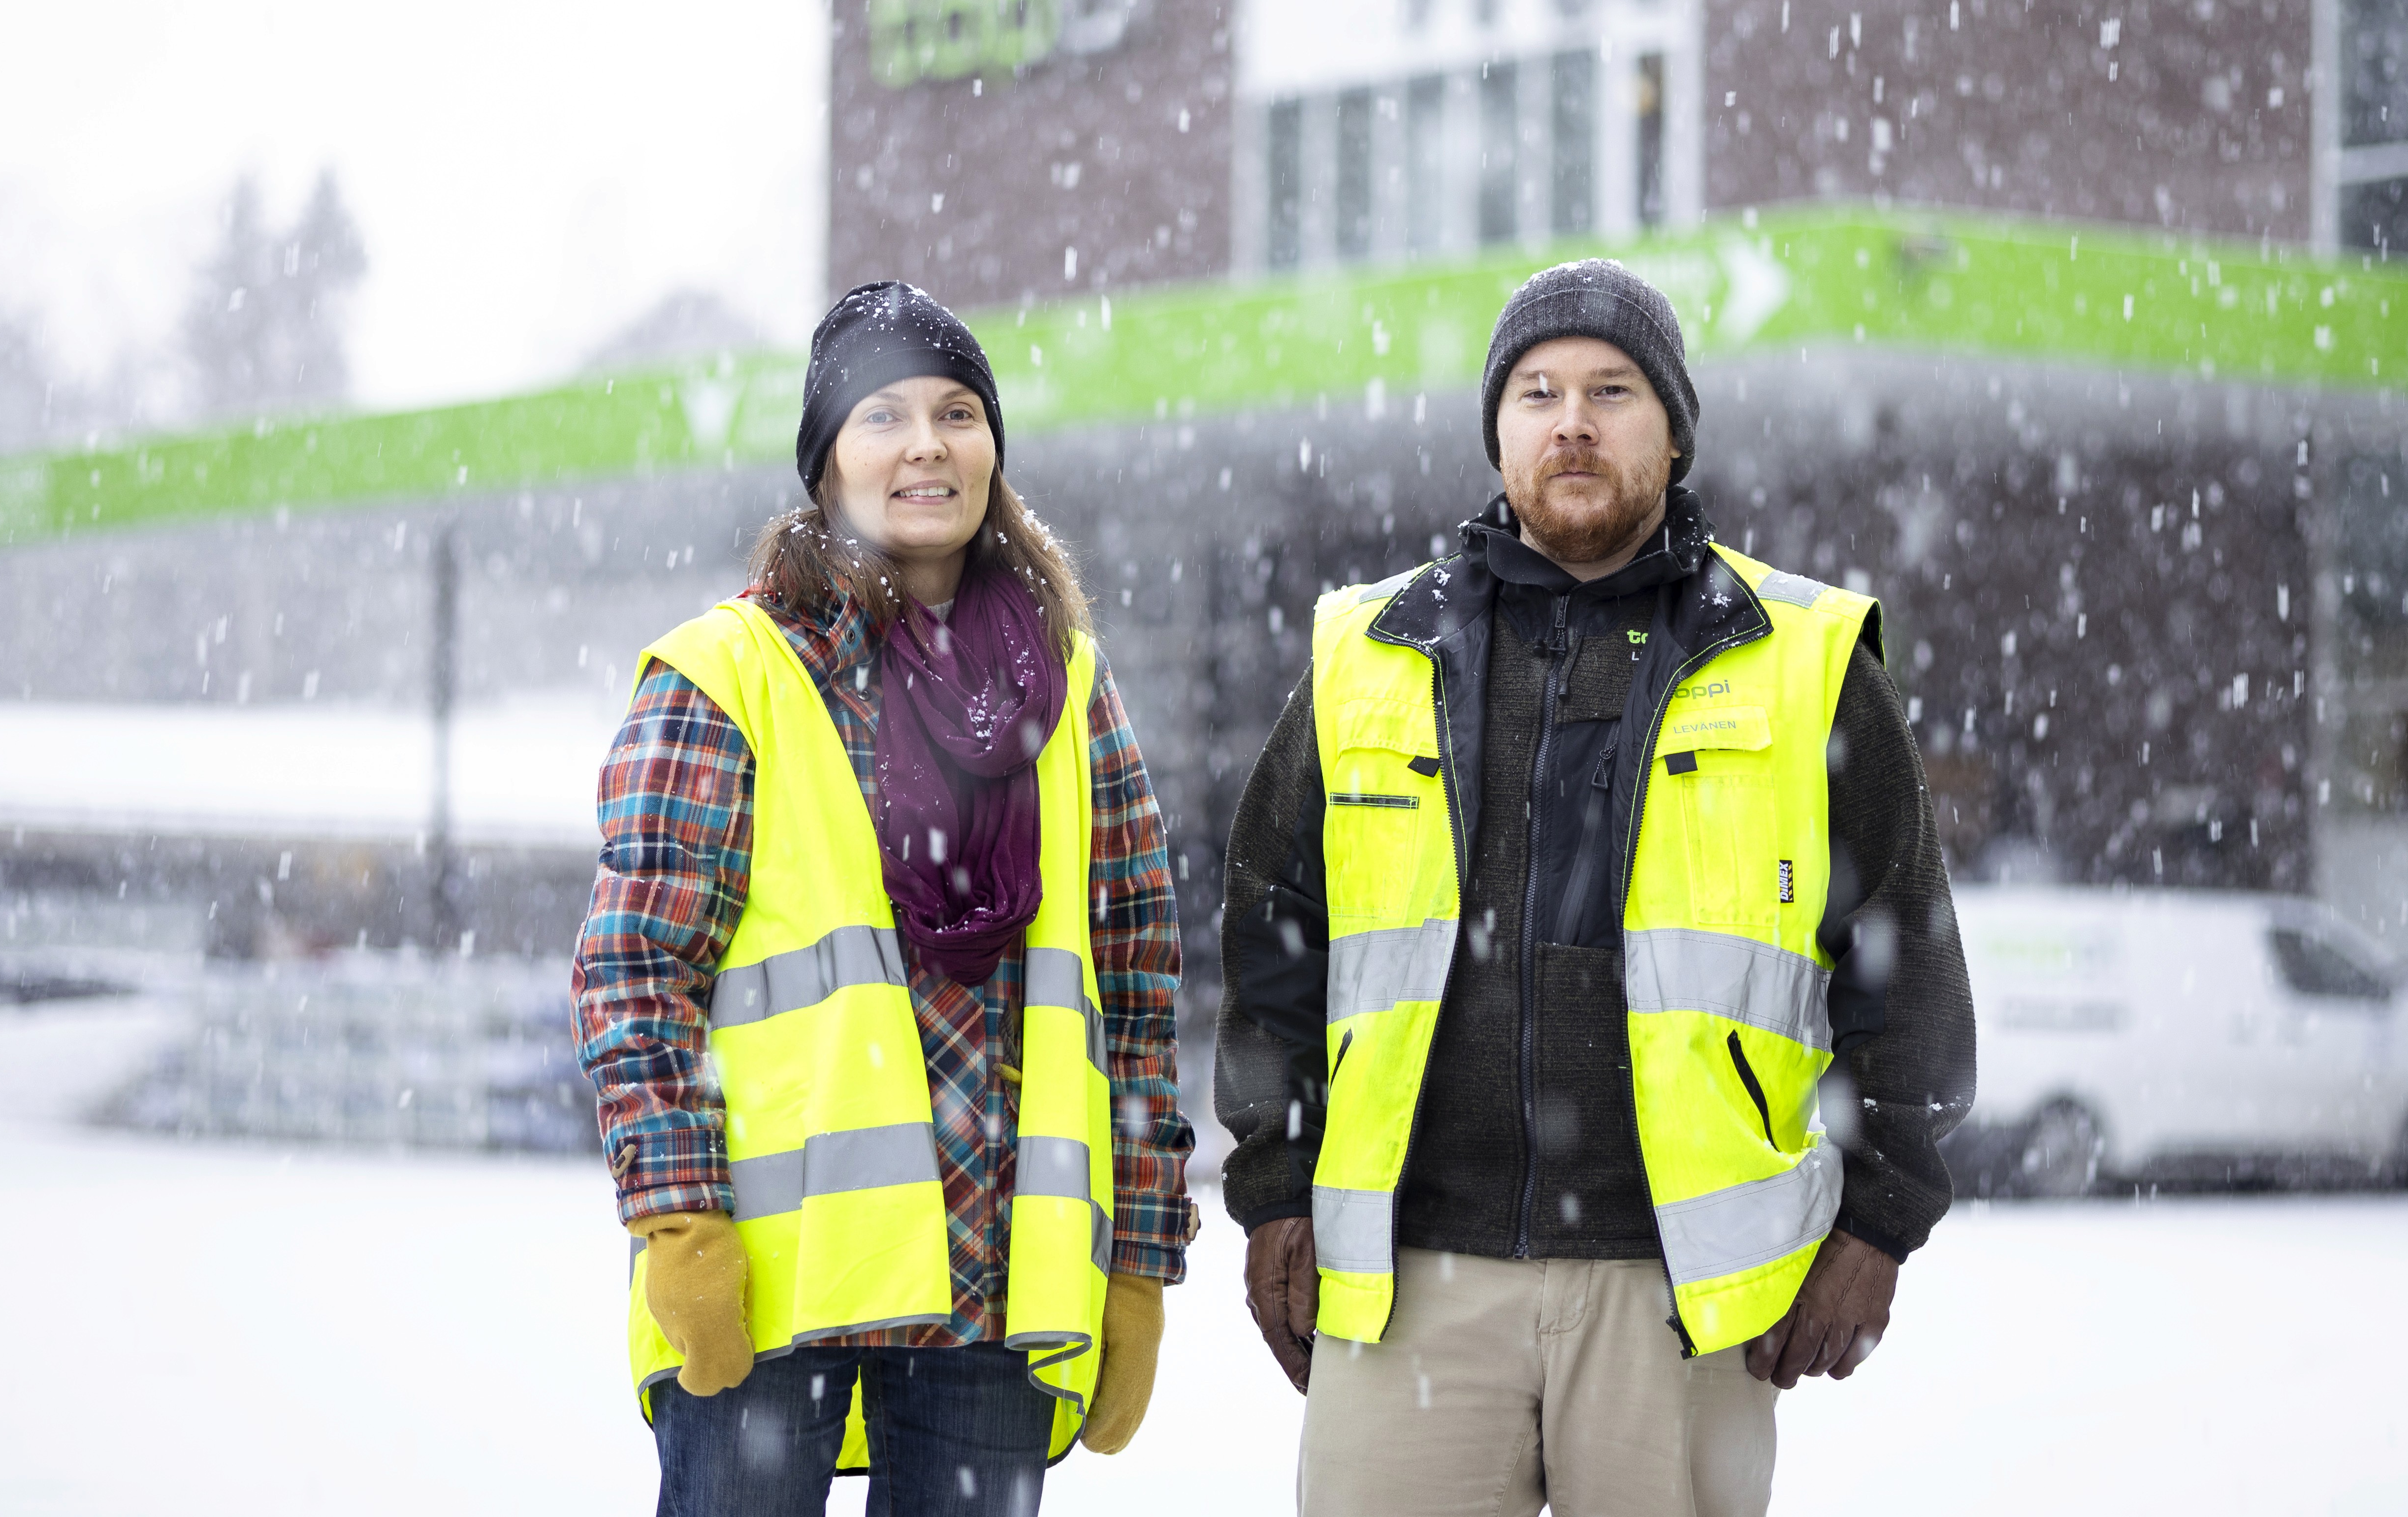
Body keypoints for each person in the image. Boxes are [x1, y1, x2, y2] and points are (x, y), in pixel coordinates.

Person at [1215, 259, 1976, 1516]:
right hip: (1412, 1279)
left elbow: (1905, 953)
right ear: (1497, 432)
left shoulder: (1802, 657)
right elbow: (1275, 933)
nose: (1571, 420)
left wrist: (1882, 1218)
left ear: (1672, 432)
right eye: (1536, 391)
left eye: (1612, 390)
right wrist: (1272, 1187)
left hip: (1680, 1292)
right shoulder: (1368, 653)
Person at [572, 281, 1192, 1516]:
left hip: (995, 1285)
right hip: (773, 1278)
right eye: (884, 415)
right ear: (827, 464)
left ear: (992, 448)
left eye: (958, 411)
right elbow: (637, 971)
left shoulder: (1062, 679)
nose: (925, 443)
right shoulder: (728, 673)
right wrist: (679, 1221)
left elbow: (1131, 980)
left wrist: (1140, 1254)